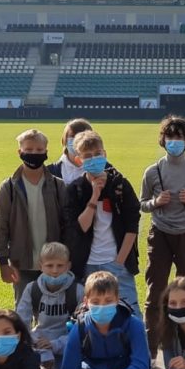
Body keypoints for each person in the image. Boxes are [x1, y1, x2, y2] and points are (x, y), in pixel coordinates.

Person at [139, 116, 185, 362]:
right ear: (163, 140)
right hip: (160, 235)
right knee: (155, 292)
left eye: (179, 137)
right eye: (170, 137)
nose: (174, 142)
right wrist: (156, 202)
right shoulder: (152, 171)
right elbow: (142, 204)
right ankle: (151, 348)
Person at [62, 130, 141, 315]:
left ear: (104, 154)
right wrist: (94, 196)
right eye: (88, 156)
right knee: (91, 314)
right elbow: (81, 227)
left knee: (131, 314)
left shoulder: (120, 184)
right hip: (87, 264)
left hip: (117, 263)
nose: (94, 159)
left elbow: (132, 224)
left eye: (97, 154)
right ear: (79, 160)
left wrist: (120, 261)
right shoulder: (75, 189)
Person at [0, 128, 67, 303]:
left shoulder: (58, 186)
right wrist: (2, 262)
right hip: (22, 266)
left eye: (39, 150)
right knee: (23, 316)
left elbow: (67, 225)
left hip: (54, 266)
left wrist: (66, 259)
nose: (34, 154)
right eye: (29, 150)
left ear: (46, 152)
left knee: (53, 316)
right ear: (20, 152)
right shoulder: (8, 188)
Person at [15, 242, 84, 369]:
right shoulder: (32, 289)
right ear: (41, 266)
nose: (54, 270)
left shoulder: (78, 291)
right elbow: (21, 323)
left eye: (60, 265)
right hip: (39, 344)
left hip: (66, 345)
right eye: (49, 265)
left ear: (68, 266)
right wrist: (36, 343)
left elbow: (82, 330)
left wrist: (55, 345)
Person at [46, 118, 94, 185]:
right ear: (64, 140)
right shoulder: (50, 171)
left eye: (83, 136)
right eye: (73, 136)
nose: (78, 140)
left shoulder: (104, 169)